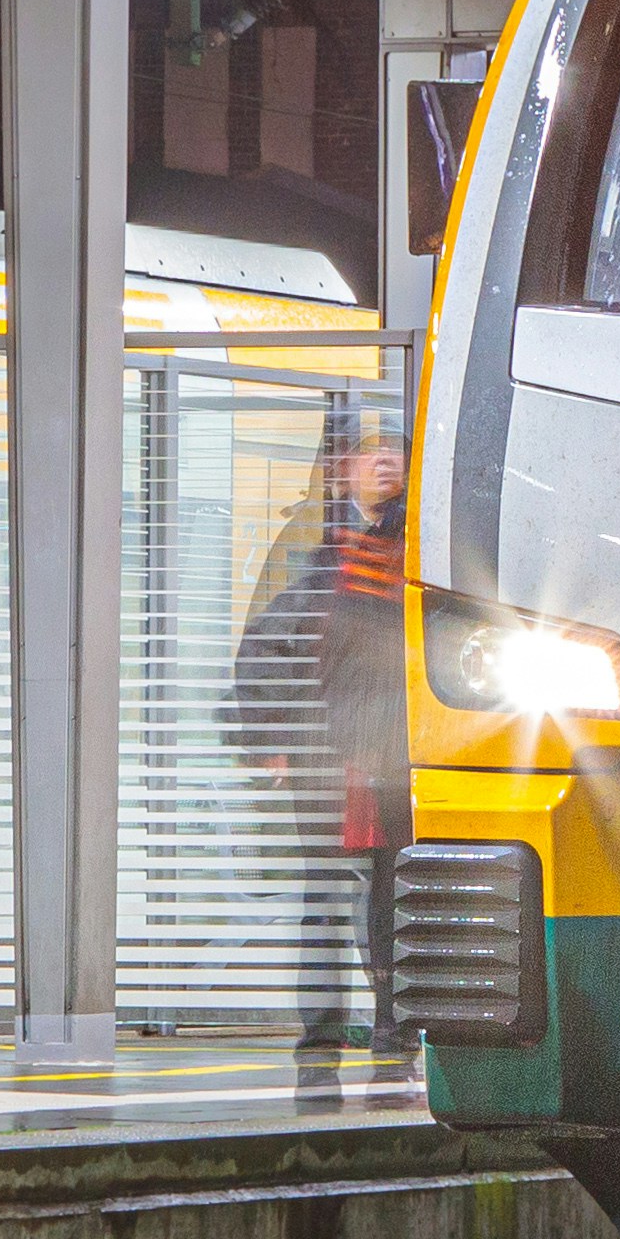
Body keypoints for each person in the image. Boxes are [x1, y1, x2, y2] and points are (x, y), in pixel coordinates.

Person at [232, 413, 412, 1089]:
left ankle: (395, 1023)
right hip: (333, 748)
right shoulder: (321, 547)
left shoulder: (409, 543)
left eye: (394, 449)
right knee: (328, 892)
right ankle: (324, 1032)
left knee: (394, 889)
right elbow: (269, 639)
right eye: (370, 451)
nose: (384, 461)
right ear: (344, 467)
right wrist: (270, 735)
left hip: (394, 746)